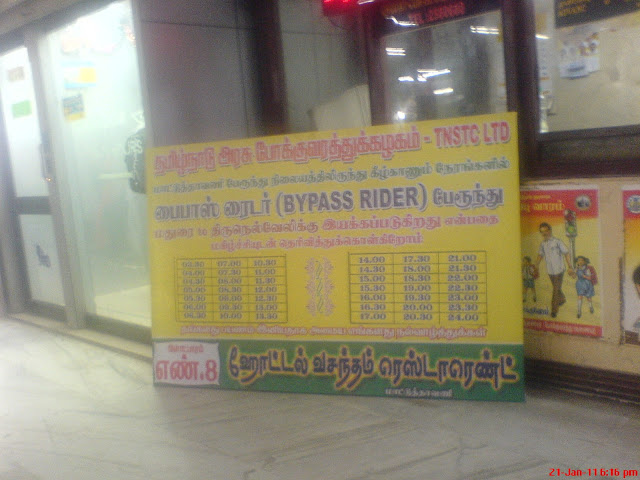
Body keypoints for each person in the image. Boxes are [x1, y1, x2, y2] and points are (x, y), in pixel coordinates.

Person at [535, 222, 575, 318]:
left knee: (555, 290)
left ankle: (554, 310)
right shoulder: (543, 244)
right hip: (550, 271)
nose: (544, 233)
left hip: (559, 270)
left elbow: (566, 253)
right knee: (557, 288)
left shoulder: (557, 242)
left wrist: (570, 266)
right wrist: (536, 265)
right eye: (542, 232)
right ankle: (562, 299)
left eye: (545, 231)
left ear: (550, 230)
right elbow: (540, 255)